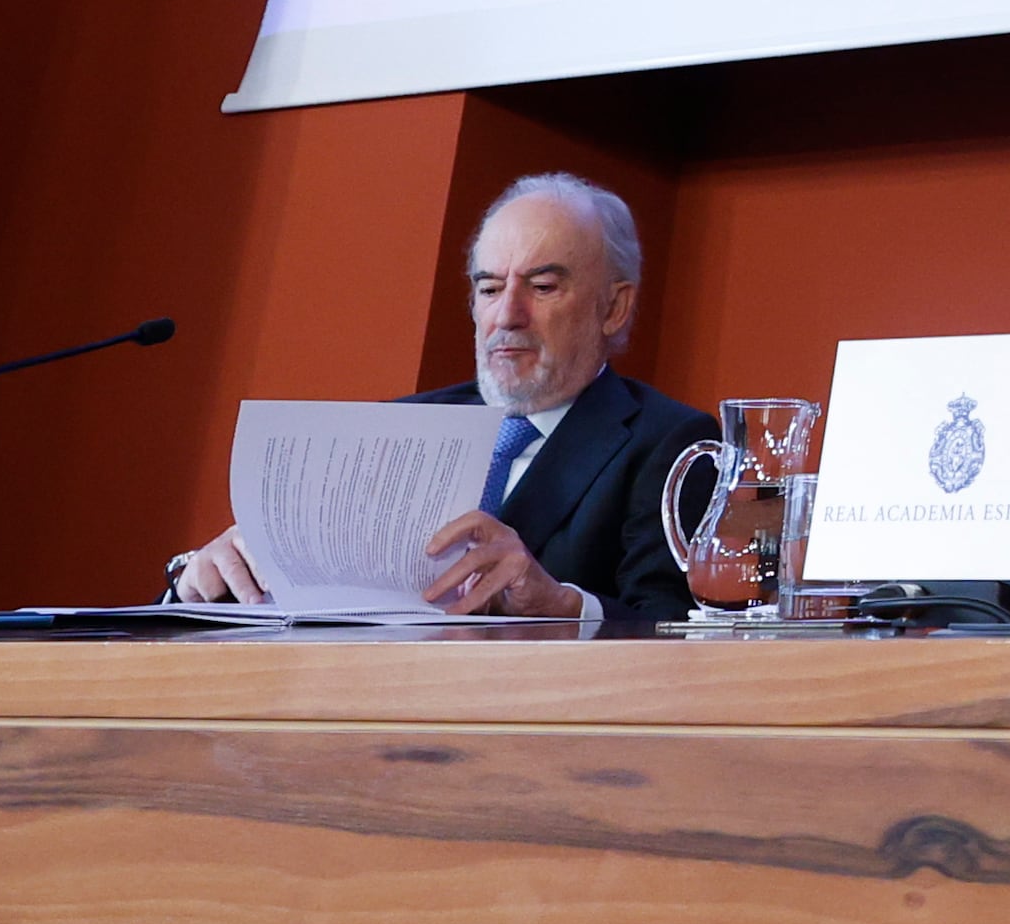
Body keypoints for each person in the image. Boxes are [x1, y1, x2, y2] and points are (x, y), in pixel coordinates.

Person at [169, 173, 709, 632]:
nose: (507, 316)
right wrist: (208, 577)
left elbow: (679, 631)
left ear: (613, 308)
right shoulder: (396, 428)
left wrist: (563, 607)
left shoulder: (672, 443)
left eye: (542, 287)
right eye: (490, 289)